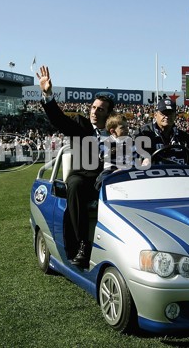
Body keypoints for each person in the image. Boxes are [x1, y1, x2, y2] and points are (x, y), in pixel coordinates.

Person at [36, 65, 114, 268]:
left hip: (110, 179)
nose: (95, 112)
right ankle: (83, 245)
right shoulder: (81, 124)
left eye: (101, 109)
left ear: (109, 114)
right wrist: (48, 94)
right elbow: (59, 120)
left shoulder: (116, 130)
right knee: (76, 183)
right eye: (94, 108)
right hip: (86, 178)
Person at [135, 99, 189, 167]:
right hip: (154, 178)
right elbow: (134, 158)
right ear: (155, 115)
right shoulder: (143, 134)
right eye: (163, 113)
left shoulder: (186, 139)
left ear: (175, 116)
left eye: (170, 113)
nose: (166, 117)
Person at [94, 114, 136, 190]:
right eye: (123, 127)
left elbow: (135, 156)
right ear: (113, 131)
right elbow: (102, 155)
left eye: (127, 126)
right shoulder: (106, 142)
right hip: (111, 170)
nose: (127, 129)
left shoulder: (131, 142)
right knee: (102, 180)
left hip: (129, 169)